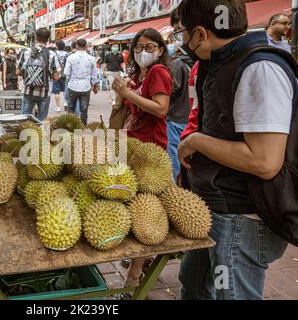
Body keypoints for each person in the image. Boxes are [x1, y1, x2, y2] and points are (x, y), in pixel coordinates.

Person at [176, 0, 292, 300]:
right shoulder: (222, 63)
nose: (183, 42)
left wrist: (195, 142)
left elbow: (265, 161)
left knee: (232, 294)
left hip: (242, 216)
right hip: (217, 207)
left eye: (182, 33)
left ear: (199, 33)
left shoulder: (259, 69)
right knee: (194, 282)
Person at [112, 28, 172, 293]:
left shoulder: (159, 72)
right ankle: (139, 260)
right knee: (136, 206)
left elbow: (161, 109)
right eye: (138, 47)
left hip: (151, 152)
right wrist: (121, 95)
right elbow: (123, 115)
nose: (142, 52)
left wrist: (128, 94)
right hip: (133, 147)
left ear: (160, 49)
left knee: (146, 211)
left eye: (149, 47)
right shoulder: (139, 75)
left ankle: (135, 275)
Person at [166, 8, 195, 182]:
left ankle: (175, 190)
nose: (180, 36)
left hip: (177, 119)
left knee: (175, 161)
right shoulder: (196, 60)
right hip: (189, 119)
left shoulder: (178, 63)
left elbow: (169, 93)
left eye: (180, 30)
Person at [17, 27, 60, 121]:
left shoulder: (26, 52)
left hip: (28, 90)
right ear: (48, 39)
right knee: (42, 120)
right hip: (44, 92)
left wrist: (30, 73)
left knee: (24, 119)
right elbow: (56, 77)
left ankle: (24, 135)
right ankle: (41, 135)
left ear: (36, 37)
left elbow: (18, 72)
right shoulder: (51, 54)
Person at [64, 39, 98, 125]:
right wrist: (94, 86)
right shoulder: (91, 58)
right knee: (84, 111)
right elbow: (94, 75)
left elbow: (66, 73)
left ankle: (70, 128)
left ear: (76, 46)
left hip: (72, 86)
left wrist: (71, 77)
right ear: (86, 47)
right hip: (86, 87)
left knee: (71, 109)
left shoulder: (71, 57)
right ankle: (82, 129)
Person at [53, 40, 69, 112]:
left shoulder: (54, 54)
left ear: (57, 46)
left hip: (56, 74)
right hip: (65, 74)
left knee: (56, 91)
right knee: (65, 89)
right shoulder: (67, 54)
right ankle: (66, 103)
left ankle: (58, 107)